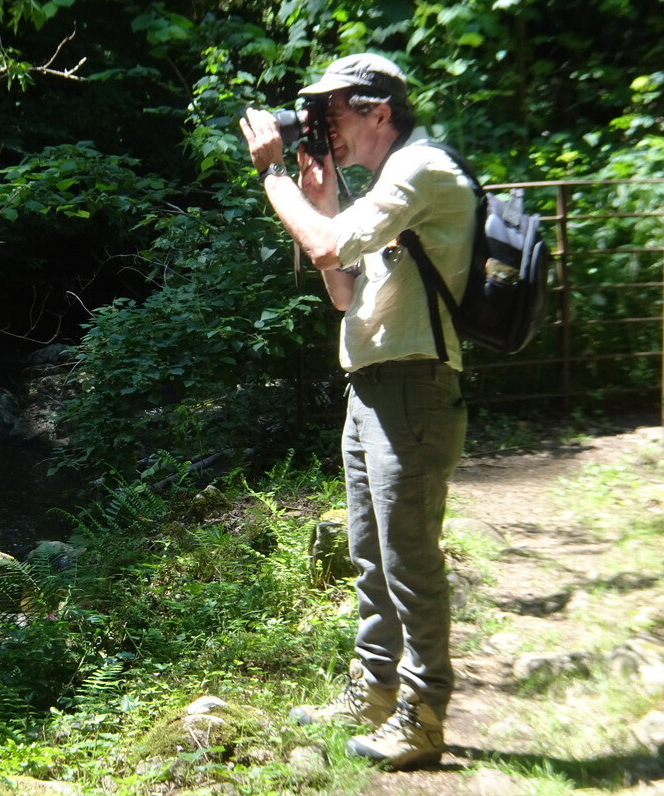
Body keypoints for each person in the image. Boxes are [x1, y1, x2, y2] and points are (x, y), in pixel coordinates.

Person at [240, 52, 476, 770]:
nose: (317, 125)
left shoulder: (421, 168)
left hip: (415, 385)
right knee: (370, 555)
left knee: (408, 559)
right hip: (372, 386)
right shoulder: (385, 185)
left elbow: (323, 246)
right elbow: (343, 290)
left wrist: (275, 174)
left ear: (378, 110)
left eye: (331, 112)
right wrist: (324, 193)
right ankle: (374, 690)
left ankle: (423, 712)